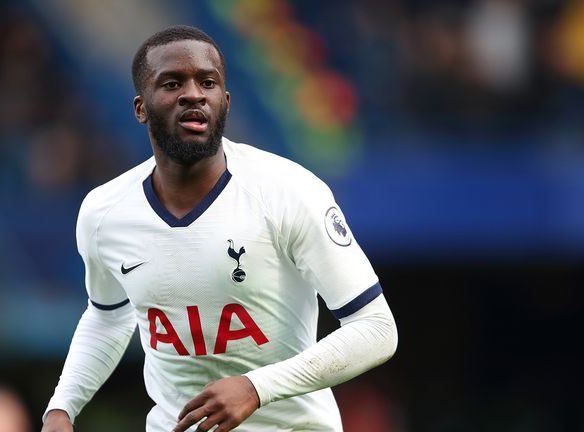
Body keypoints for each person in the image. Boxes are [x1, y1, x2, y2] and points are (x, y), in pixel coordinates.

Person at [42, 25, 398, 432]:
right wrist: (61, 408)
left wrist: (255, 387)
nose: (193, 94)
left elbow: (376, 328)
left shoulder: (289, 192)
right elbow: (107, 316)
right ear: (141, 108)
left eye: (207, 82)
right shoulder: (104, 213)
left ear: (224, 102)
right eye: (172, 83)